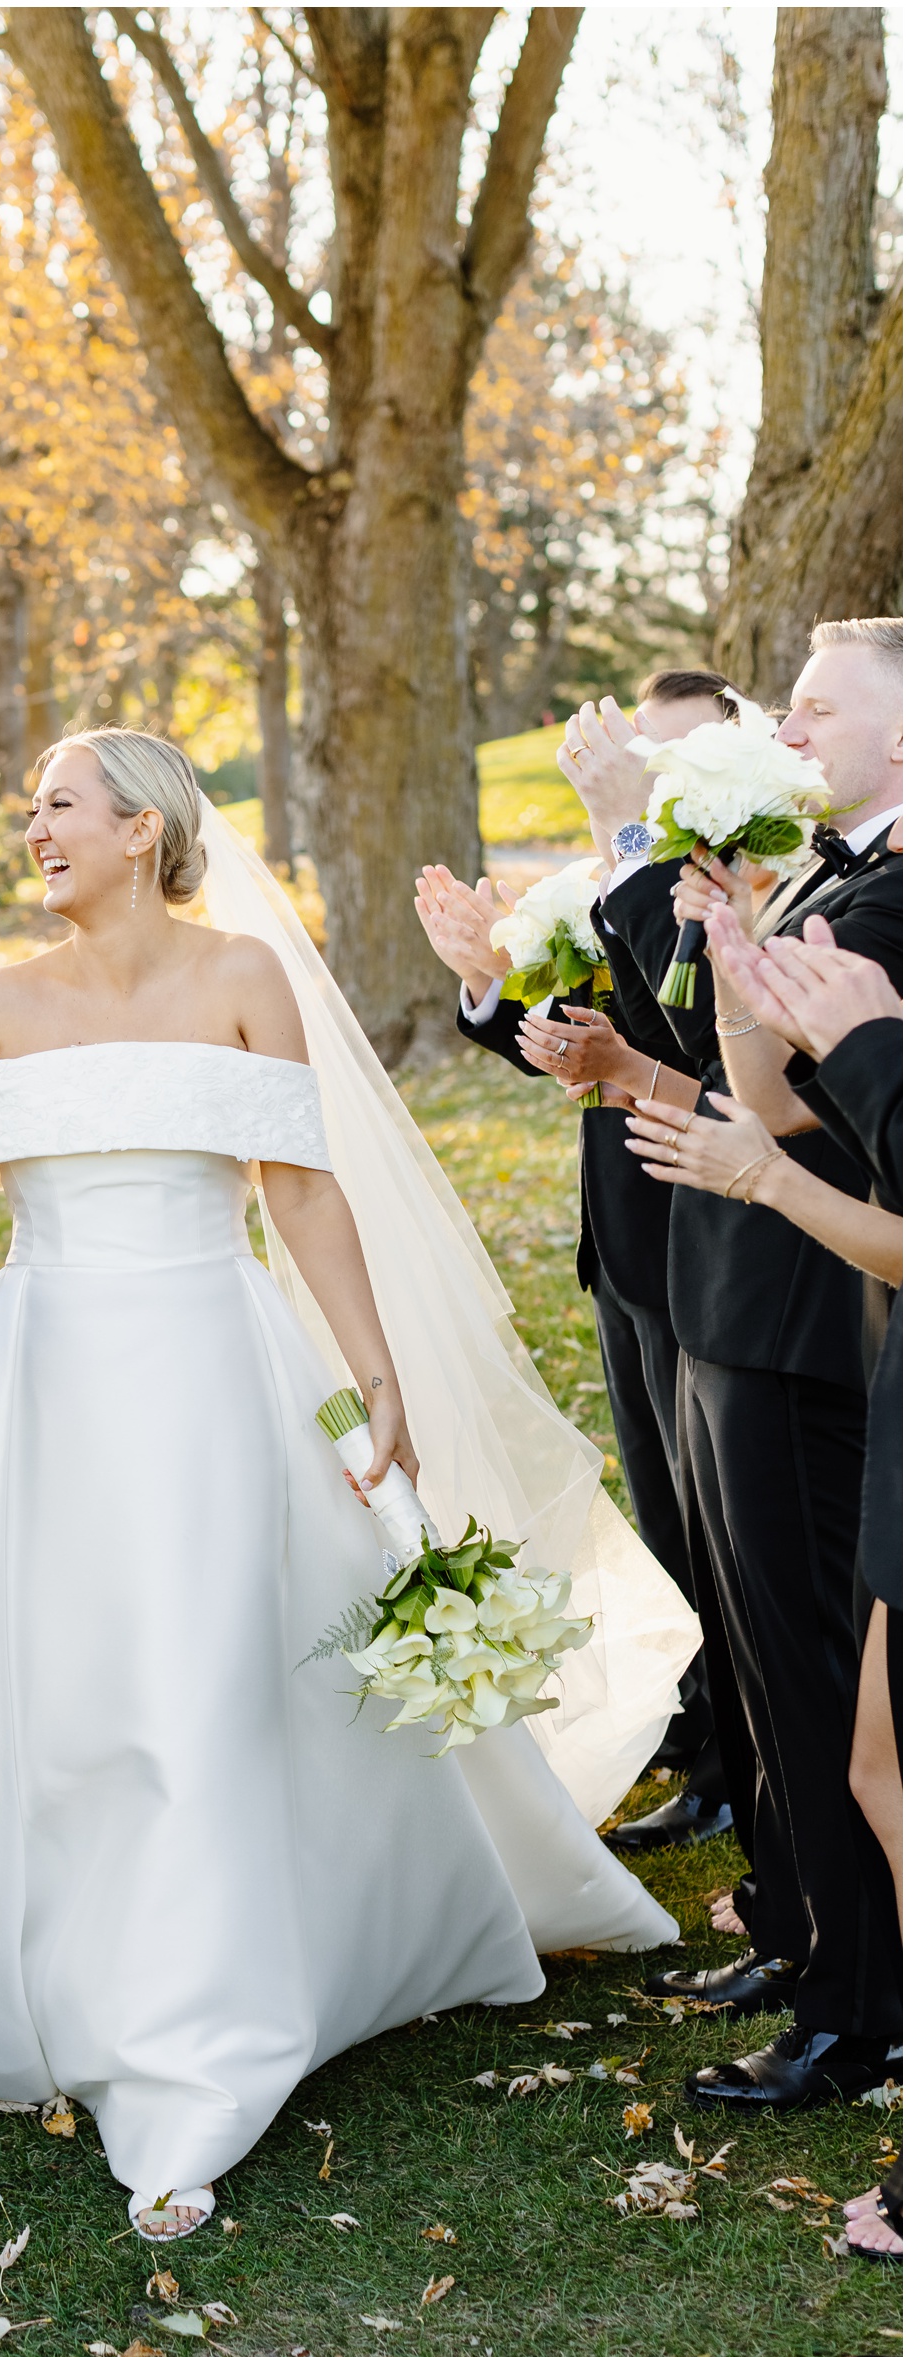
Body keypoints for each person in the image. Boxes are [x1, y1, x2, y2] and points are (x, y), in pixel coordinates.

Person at [0, 727, 685, 2244]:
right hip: (42, 1370)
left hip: (209, 1357)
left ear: (141, 823)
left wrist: (374, 1367)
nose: (32, 827)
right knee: (42, 1672)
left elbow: (300, 1188)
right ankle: (33, 1961)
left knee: (204, 1671)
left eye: (57, 803)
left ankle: (199, 2034)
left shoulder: (245, 977)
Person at [608, 619, 902, 2099]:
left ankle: (857, 2001)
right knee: (792, 1681)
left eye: (815, 711)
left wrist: (761, 1157)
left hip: (823, 1321)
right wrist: (730, 954)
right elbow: (770, 1095)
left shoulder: (895, 896)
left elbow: (824, 1137)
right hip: (748, 1289)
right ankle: (817, 1950)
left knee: (827, 1690)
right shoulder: (822, 875)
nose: (788, 734)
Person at [414, 669, 737, 1852]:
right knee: (667, 1516)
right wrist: (489, 982)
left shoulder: (722, 879)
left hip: (715, 1236)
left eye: (664, 761)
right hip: (624, 1236)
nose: (636, 779)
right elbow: (580, 1041)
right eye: (630, 757)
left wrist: (631, 838)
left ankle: (740, 1769)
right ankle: (708, 1748)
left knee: (722, 1528)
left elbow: (683, 1035)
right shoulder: (620, 879)